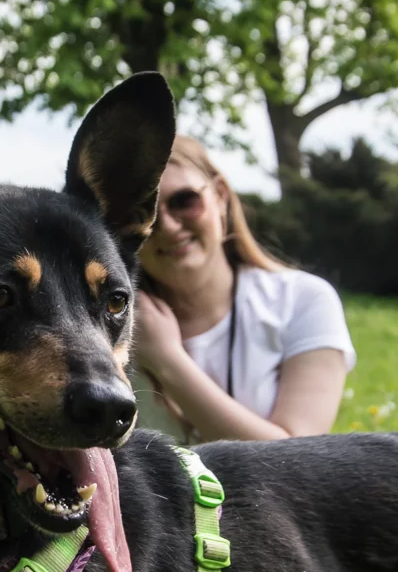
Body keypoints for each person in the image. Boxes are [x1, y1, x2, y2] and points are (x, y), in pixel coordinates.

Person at [132, 135, 356, 445]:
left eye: (184, 201)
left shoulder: (303, 301)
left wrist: (167, 359)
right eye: (146, 214)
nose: (169, 226)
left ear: (221, 195)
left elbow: (297, 465)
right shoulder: (111, 326)